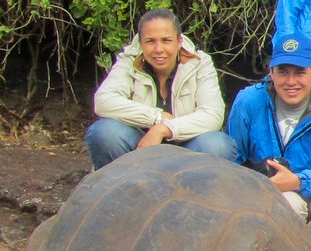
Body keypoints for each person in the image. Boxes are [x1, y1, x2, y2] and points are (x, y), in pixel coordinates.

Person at [85, 9, 236, 169]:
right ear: (141, 43)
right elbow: (103, 100)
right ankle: (124, 190)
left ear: (179, 42)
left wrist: (164, 129)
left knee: (217, 145)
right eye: (150, 41)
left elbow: (213, 115)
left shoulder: (200, 62)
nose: (158, 49)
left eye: (166, 40)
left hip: (187, 149)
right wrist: (157, 117)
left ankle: (193, 193)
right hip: (140, 148)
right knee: (106, 133)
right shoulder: (129, 60)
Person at [227, 33, 311, 222]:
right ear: (271, 73)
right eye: (283, 71)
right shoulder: (249, 101)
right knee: (286, 208)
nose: (291, 81)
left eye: (300, 72)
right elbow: (235, 158)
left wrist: (299, 181)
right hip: (268, 187)